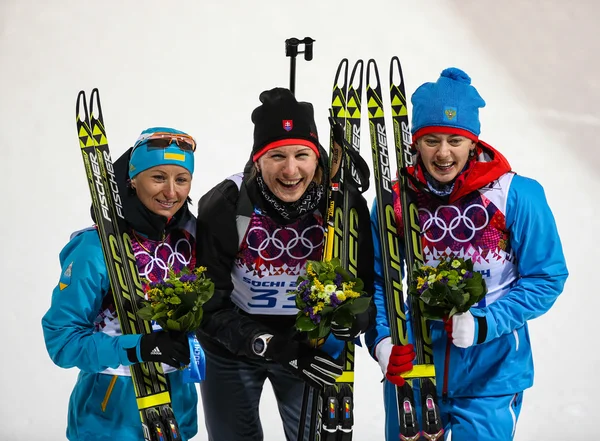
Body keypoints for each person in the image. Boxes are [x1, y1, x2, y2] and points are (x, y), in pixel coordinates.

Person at [366, 68, 569, 441]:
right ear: (414, 143)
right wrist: (381, 340)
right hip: (413, 370)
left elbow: (546, 276)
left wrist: (485, 323)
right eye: (432, 140)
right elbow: (378, 279)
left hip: (490, 375)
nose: (444, 153)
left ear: (473, 143)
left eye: (455, 140)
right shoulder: (395, 200)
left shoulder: (515, 195)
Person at [195, 88, 375, 441]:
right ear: (257, 160)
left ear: (318, 158)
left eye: (301, 155)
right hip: (232, 343)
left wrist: (355, 318)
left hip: (308, 344)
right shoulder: (226, 204)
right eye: (276, 155)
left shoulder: (342, 204)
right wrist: (267, 344)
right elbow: (209, 304)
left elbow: (365, 283)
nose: (290, 170)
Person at [42, 127, 200, 441]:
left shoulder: (190, 239)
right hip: (110, 416)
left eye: (181, 179)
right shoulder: (94, 248)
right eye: (158, 177)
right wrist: (139, 348)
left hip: (175, 409)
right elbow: (62, 341)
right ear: (131, 180)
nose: (171, 192)